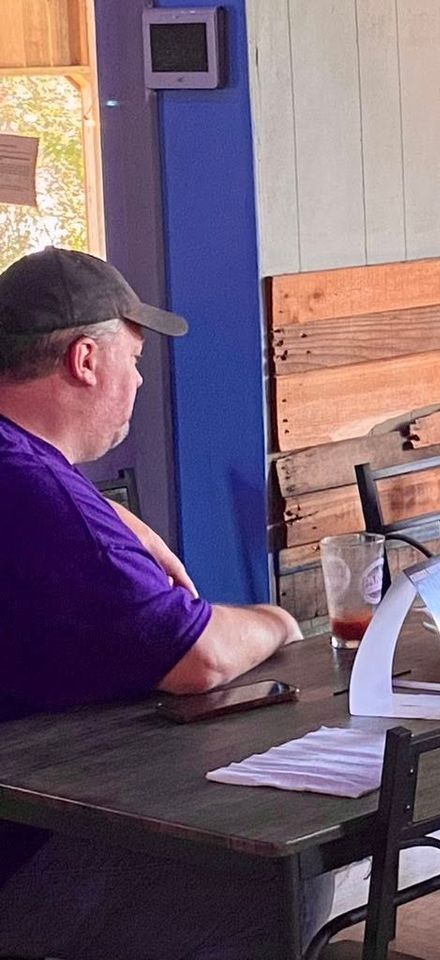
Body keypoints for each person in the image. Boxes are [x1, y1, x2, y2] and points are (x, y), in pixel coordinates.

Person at [0, 247, 313, 959]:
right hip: (23, 856)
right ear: (85, 360)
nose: (140, 380)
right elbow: (196, 657)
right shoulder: (39, 493)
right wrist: (277, 619)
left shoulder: (33, 478)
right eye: (134, 359)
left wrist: (109, 515)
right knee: (275, 874)